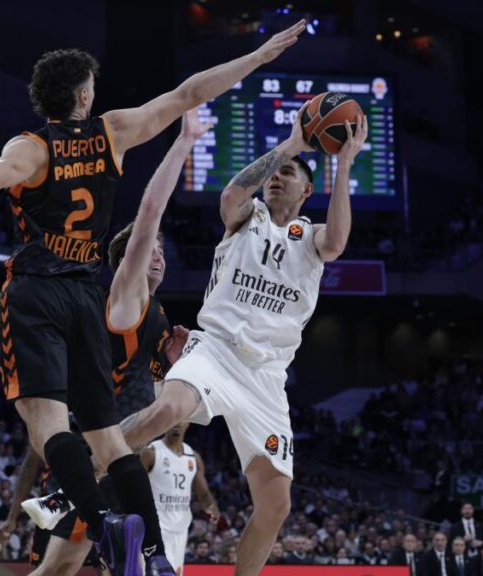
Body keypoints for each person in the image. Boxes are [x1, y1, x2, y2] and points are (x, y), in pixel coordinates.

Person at [0, 19, 307, 576]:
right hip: (89, 291)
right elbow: (189, 93)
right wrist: (258, 57)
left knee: (45, 428)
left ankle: (101, 520)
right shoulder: (111, 132)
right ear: (85, 95)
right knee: (109, 439)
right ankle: (153, 556)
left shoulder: (32, 147)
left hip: (38, 288)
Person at [116, 96, 365, 576]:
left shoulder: (311, 238)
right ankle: (73, 480)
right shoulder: (244, 218)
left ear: (307, 191)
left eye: (290, 172)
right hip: (215, 350)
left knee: (276, 506)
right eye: (277, 171)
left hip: (266, 376)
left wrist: (345, 163)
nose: (278, 176)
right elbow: (231, 193)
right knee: (168, 409)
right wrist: (291, 143)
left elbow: (336, 243)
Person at [13, 108, 215, 576]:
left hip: (116, 458)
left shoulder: (158, 316)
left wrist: (178, 357)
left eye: (165, 252)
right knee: (69, 567)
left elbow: (164, 393)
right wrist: (183, 144)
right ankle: (67, 489)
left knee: (83, 567)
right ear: (126, 261)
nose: (159, 256)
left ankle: (65, 492)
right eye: (151, 251)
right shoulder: (126, 296)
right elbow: (148, 215)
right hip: (108, 449)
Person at [140, 422, 218, 574]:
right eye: (173, 419)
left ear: (188, 423)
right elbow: (135, 490)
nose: (176, 423)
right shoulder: (150, 453)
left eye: (181, 419)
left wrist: (211, 507)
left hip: (181, 529)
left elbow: (203, 494)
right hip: (157, 527)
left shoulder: (193, 456)